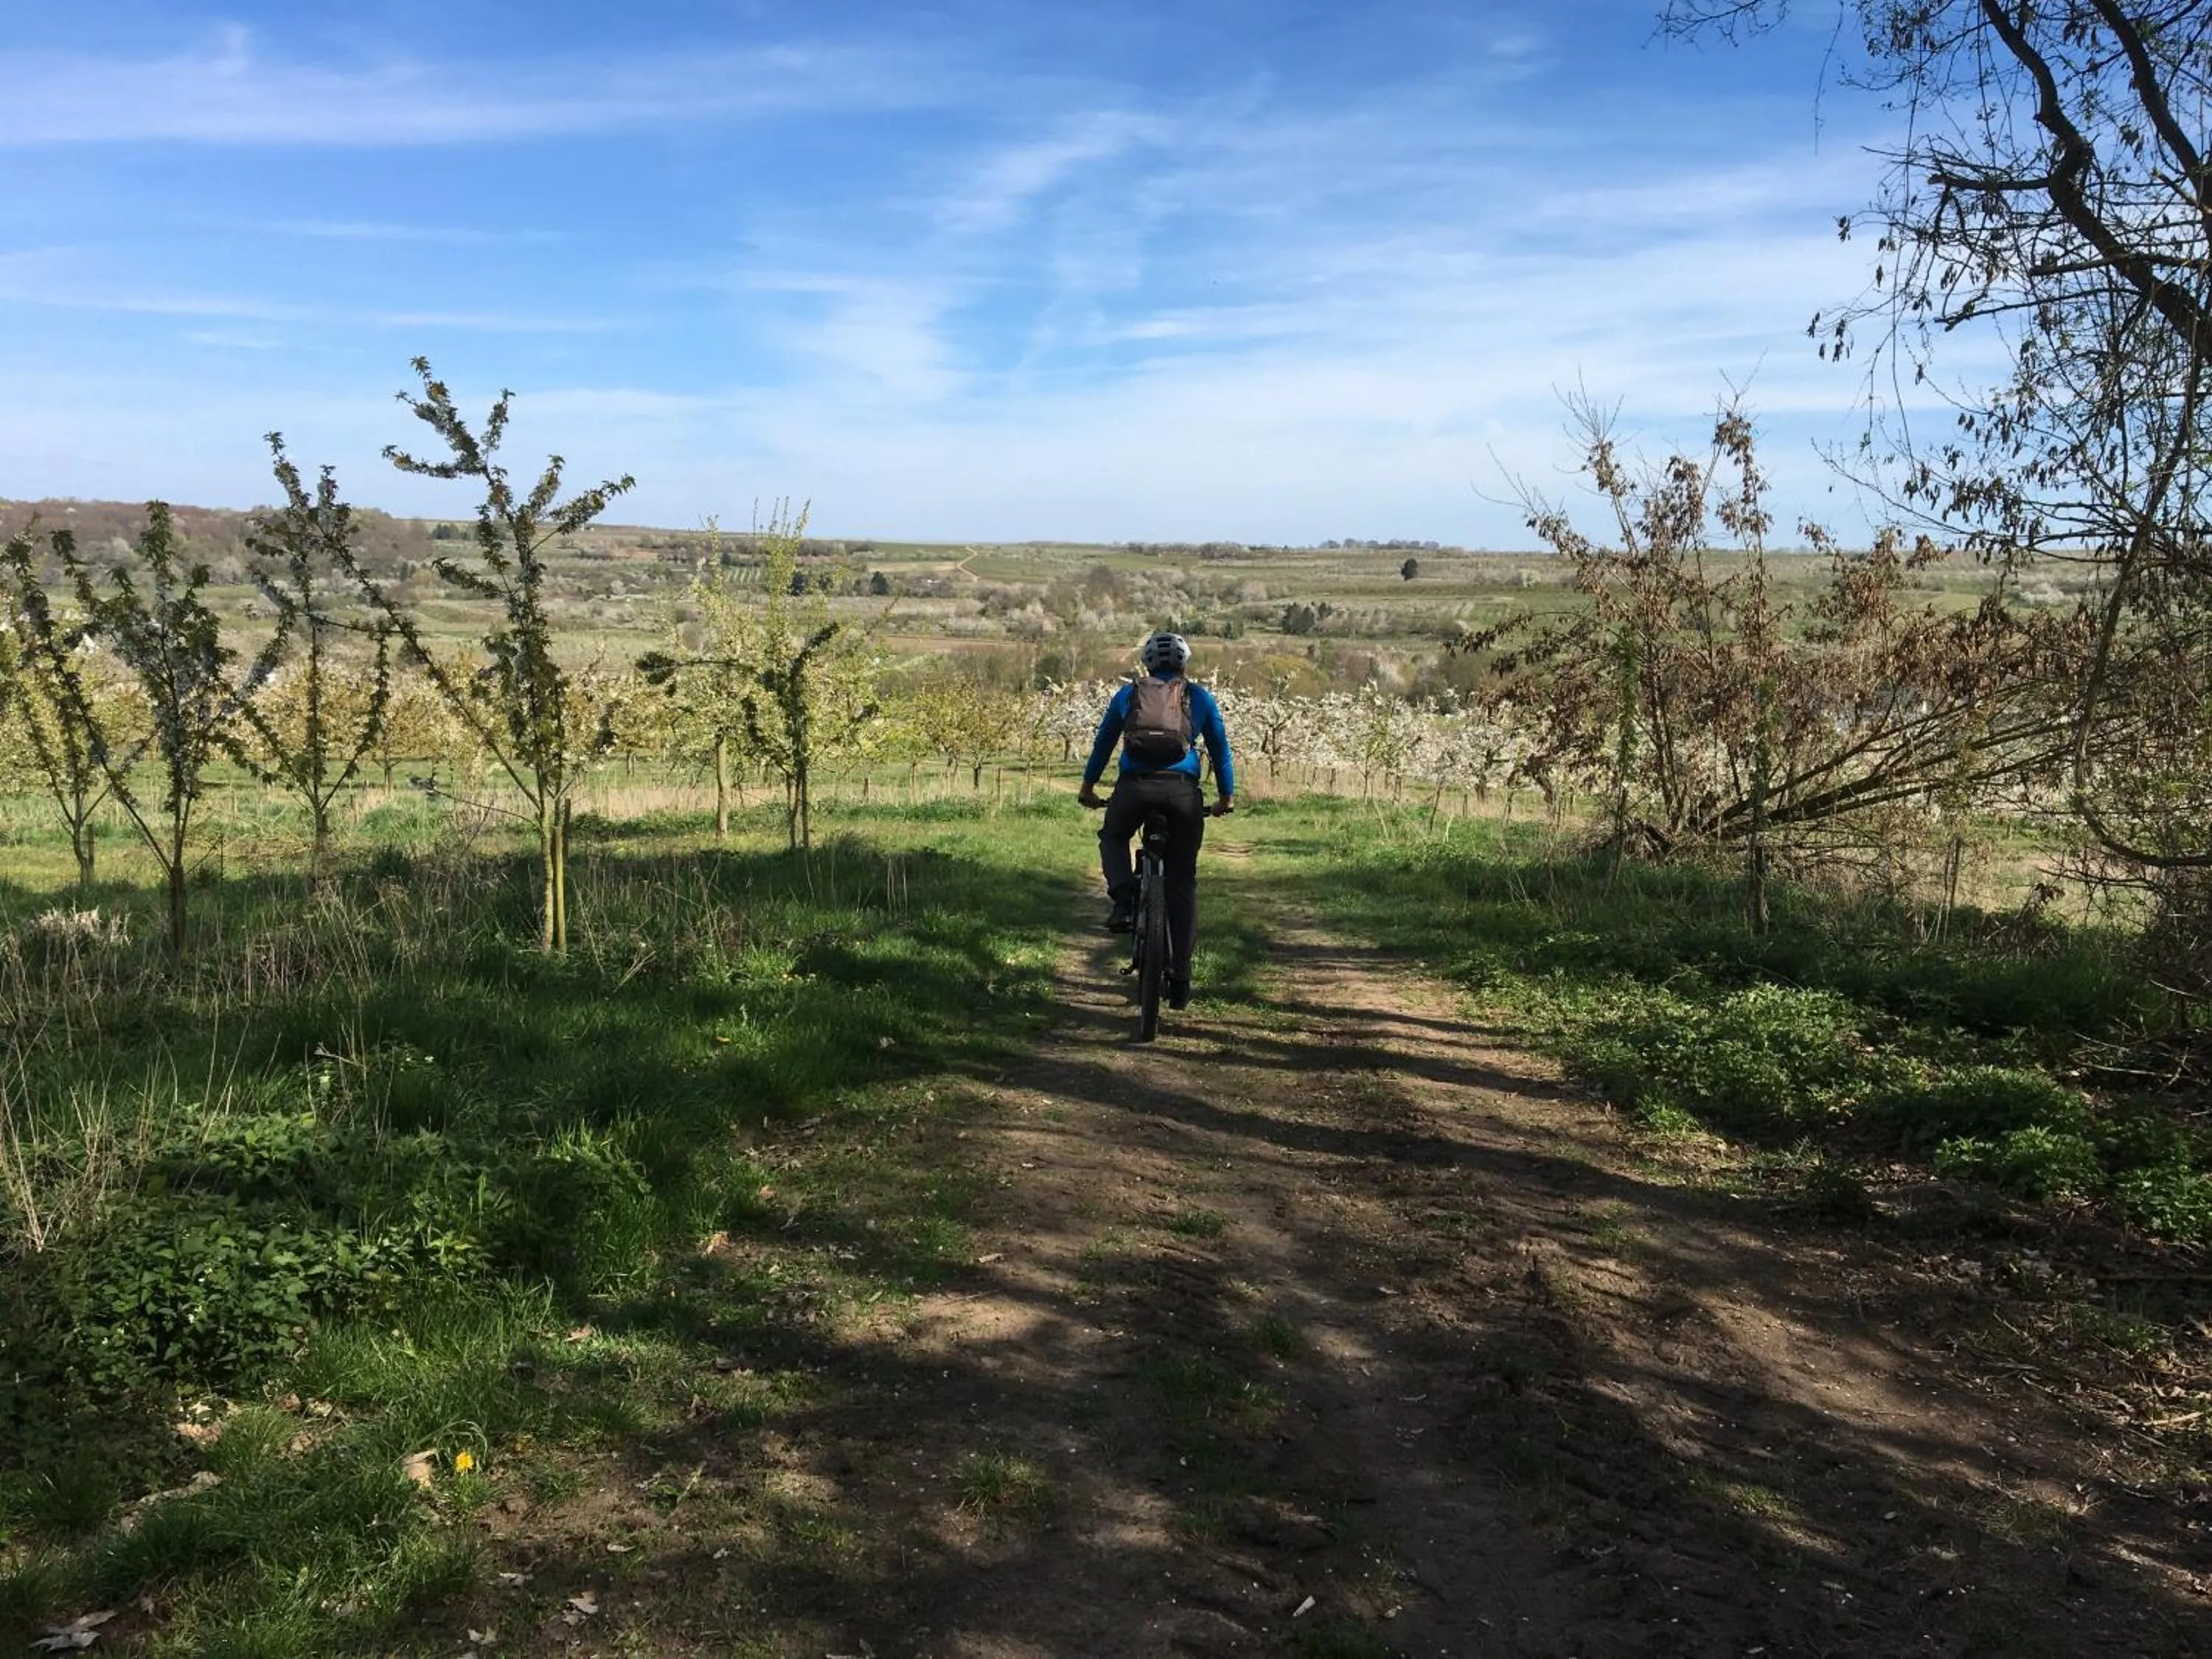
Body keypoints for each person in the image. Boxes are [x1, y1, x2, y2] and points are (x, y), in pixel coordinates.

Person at [1077, 630, 1234, 1011]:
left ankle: (1123, 901)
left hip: (1134, 789)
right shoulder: (1199, 698)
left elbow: (1103, 743)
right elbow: (1220, 750)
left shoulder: (1128, 695)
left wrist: (1088, 787)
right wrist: (1226, 797)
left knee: (1114, 837)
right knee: (1181, 882)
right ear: (1184, 664)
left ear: (1147, 664)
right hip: (1182, 794)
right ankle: (1181, 977)